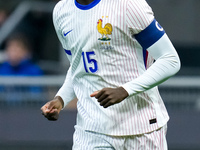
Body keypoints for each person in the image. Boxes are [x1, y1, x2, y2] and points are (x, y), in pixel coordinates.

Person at [41, 0, 181, 149]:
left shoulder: (128, 5)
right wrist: (61, 98)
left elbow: (170, 60)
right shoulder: (61, 11)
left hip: (143, 128)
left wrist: (125, 90)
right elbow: (78, 66)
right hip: (92, 131)